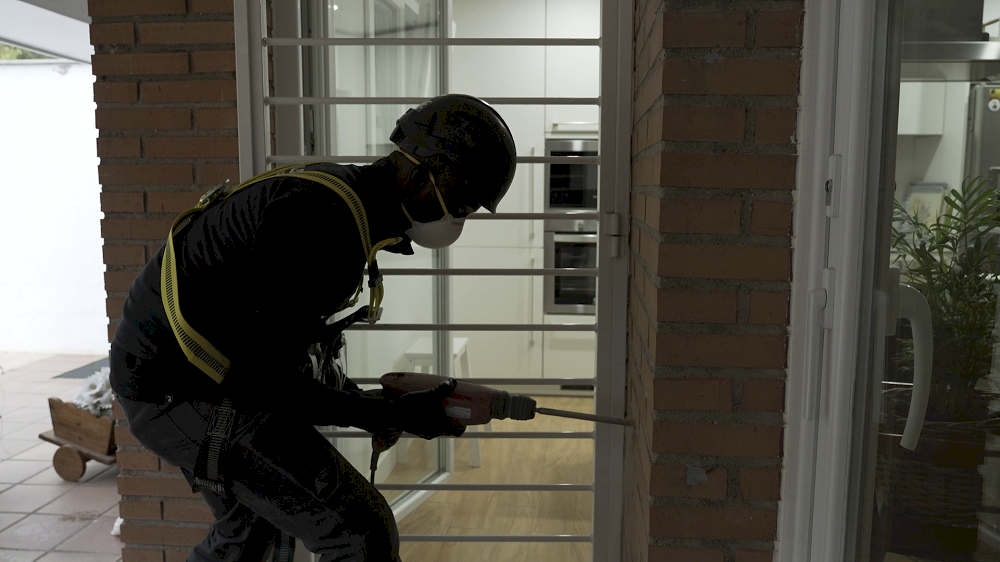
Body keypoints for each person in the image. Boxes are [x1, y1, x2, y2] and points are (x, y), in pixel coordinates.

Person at [109, 94, 517, 562]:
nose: (459, 216)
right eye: (462, 200)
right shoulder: (321, 224)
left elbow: (283, 343)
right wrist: (380, 413)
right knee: (361, 533)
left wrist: (370, 405)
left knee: (251, 530)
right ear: (422, 170)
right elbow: (265, 381)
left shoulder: (345, 202)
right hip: (177, 389)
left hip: (188, 375)